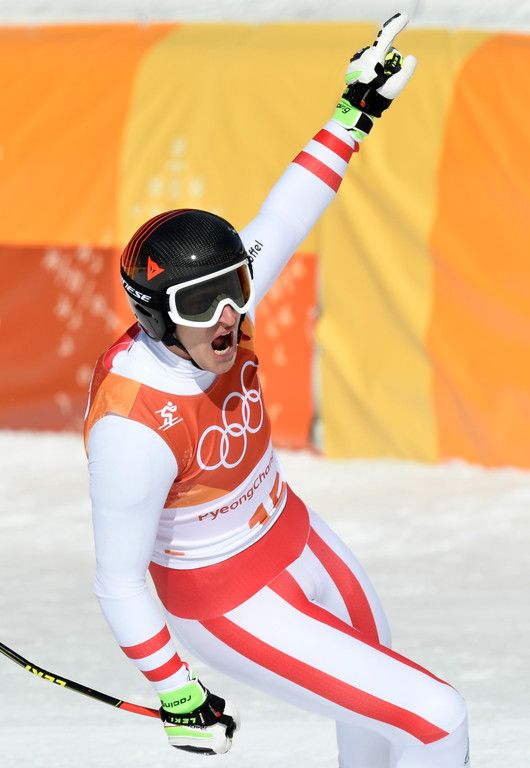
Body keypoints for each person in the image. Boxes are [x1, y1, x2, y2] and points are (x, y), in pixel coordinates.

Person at [85, 13, 470, 767]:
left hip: (289, 530)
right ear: (157, 315)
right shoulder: (133, 424)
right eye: (201, 304)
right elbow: (119, 581)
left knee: (384, 691)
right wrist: (176, 690)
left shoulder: (220, 306)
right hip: (225, 599)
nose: (228, 317)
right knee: (436, 717)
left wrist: (354, 112)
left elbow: (285, 212)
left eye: (235, 287)